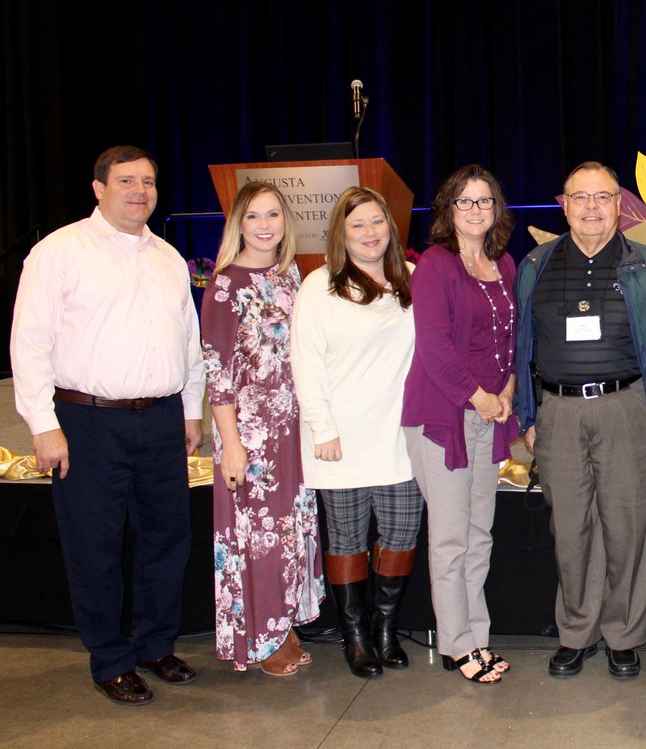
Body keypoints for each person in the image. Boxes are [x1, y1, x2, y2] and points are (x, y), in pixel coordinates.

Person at [10, 145, 203, 705]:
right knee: (94, 545)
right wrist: (43, 426)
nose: (140, 190)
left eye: (148, 181)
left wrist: (190, 412)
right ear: (99, 188)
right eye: (126, 180)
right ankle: (111, 659)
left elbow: (188, 344)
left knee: (168, 536)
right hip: (86, 420)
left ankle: (155, 645)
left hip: (162, 418)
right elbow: (29, 343)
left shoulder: (168, 257)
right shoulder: (59, 252)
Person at [514, 161, 646, 680]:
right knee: (570, 528)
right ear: (563, 204)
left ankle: (623, 634)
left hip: (626, 406)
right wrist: (529, 414)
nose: (591, 208)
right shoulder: (535, 264)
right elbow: (523, 347)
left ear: (619, 204)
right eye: (580, 198)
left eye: (602, 197)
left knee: (628, 526)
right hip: (557, 411)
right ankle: (576, 632)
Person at [291, 186, 421, 679]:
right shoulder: (319, 286)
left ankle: (386, 629)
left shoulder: (409, 279)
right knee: (346, 539)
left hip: (400, 437)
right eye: (357, 226)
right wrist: (322, 427)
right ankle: (356, 636)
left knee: (402, 534)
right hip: (338, 439)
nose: (370, 234)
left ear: (390, 226)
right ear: (340, 236)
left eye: (377, 222)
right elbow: (305, 364)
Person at [201, 182, 324, 676]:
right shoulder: (226, 284)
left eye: (274, 215)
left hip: (292, 433)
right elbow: (218, 373)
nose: (266, 225)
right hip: (250, 438)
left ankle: (284, 622)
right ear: (238, 224)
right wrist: (230, 445)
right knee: (258, 537)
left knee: (288, 533)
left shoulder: (290, 276)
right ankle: (262, 636)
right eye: (254, 216)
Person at [402, 165, 519, 684]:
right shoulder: (434, 265)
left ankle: (477, 634)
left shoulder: (505, 264)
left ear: (497, 209)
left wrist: (509, 389)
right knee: (450, 539)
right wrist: (479, 398)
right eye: (465, 202)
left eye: (484, 201)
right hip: (443, 416)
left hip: (490, 414)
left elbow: (514, 340)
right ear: (448, 210)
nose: (475, 210)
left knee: (480, 534)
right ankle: (455, 644)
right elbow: (434, 346)